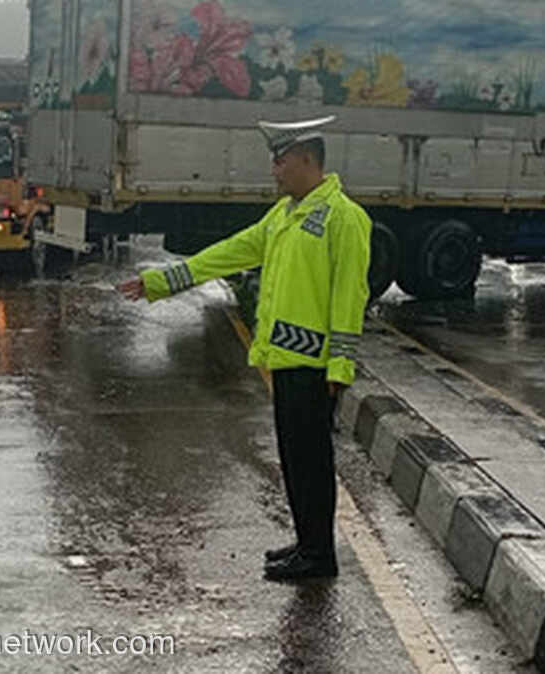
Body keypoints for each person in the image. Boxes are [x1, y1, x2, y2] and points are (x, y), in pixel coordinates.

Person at [117, 116, 371, 582]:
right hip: (284, 361)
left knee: (312, 462)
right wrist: (161, 283)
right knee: (295, 459)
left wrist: (341, 364)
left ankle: (319, 557)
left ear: (308, 160)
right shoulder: (284, 216)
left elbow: (349, 295)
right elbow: (230, 252)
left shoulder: (344, 218)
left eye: (282, 162)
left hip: (315, 367)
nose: (275, 172)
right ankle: (307, 542)